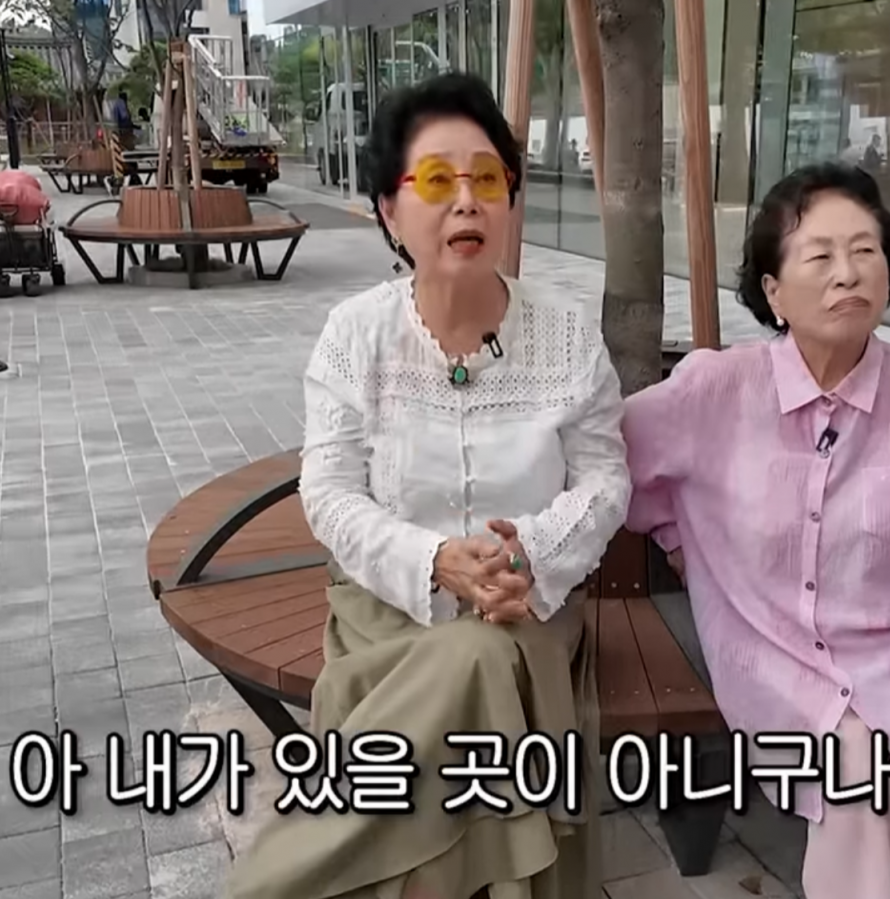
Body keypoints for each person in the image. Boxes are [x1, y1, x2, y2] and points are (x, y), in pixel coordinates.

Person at [226, 71, 629, 899]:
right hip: (390, 610)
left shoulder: (564, 334)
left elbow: (604, 476)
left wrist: (532, 554)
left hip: (528, 605)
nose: (467, 202)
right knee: (474, 661)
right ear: (389, 210)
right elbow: (329, 492)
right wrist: (434, 560)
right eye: (438, 181)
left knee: (487, 650)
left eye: (488, 179)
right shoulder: (356, 335)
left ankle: (290, 875)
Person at [618, 161, 890, 899]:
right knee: (853, 792)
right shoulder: (714, 390)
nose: (849, 274)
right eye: (821, 256)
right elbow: (610, 464)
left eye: (866, 251)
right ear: (773, 291)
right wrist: (679, 537)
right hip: (773, 652)